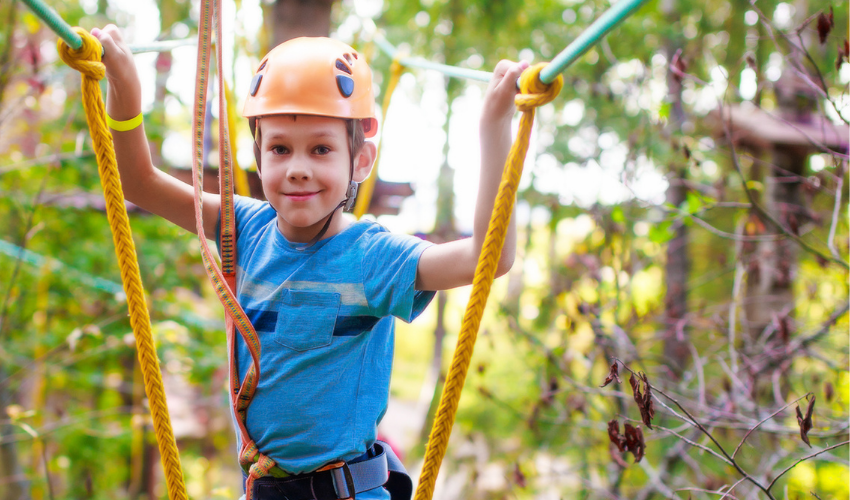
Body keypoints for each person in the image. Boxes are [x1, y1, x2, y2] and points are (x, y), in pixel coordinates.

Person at [92, 25, 524, 500]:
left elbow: (490, 258)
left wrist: (495, 129)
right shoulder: (243, 228)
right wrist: (124, 95)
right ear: (258, 156)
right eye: (280, 148)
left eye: (321, 149)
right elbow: (137, 183)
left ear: (360, 162)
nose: (298, 166)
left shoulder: (371, 256)